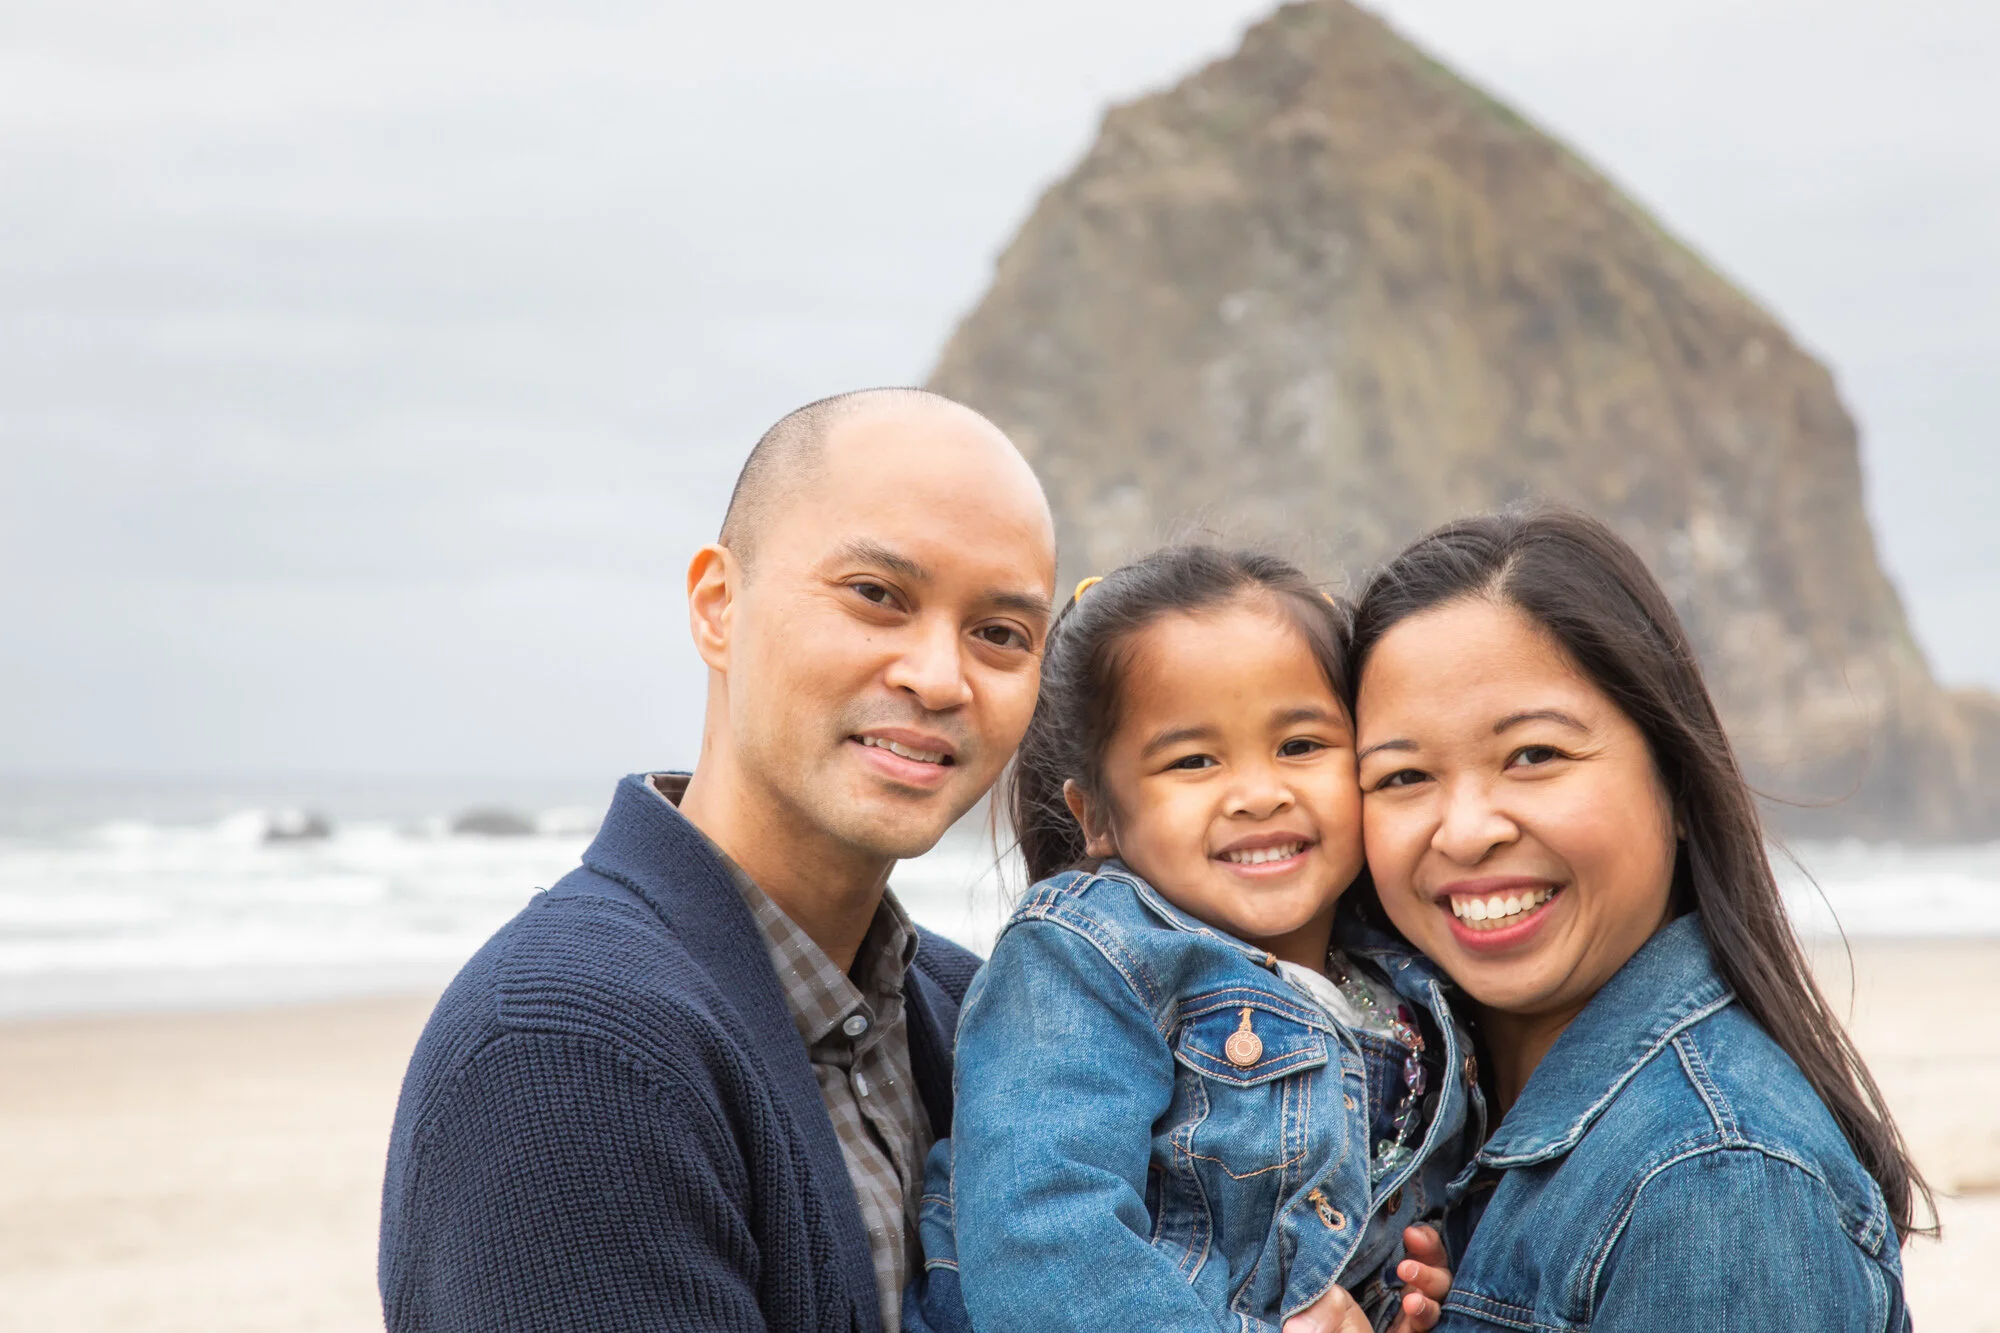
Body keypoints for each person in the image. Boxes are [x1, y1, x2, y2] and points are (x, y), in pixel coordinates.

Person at [377, 388, 1059, 1333]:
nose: (939, 675)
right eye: (876, 595)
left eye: (1000, 634)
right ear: (717, 606)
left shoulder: (982, 1014)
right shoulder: (569, 1050)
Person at [1349, 506, 1927, 1331]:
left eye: (1535, 755)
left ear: (1678, 783)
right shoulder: (1395, 1112)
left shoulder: (1713, 1184)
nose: (1468, 827)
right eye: (1403, 775)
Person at [917, 547, 1470, 1333]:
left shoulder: (1406, 989)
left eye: (1301, 745)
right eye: (1194, 759)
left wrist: (1408, 1285)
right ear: (1097, 816)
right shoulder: (1088, 956)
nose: (1258, 792)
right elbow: (1046, 1239)